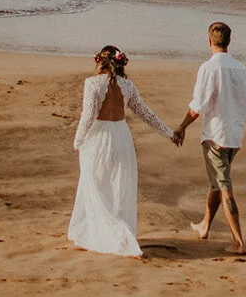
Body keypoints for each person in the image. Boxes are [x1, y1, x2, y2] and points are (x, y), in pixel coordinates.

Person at [68, 43, 175, 257]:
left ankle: (105, 232)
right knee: (119, 186)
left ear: (99, 61)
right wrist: (169, 133)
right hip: (122, 137)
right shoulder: (127, 86)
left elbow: (88, 115)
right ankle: (117, 229)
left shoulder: (92, 83)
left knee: (96, 185)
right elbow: (145, 113)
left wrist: (78, 140)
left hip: (99, 138)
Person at [172, 21, 246, 255]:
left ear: (209, 42)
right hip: (235, 135)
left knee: (224, 186)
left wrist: (182, 126)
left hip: (216, 135)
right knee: (217, 182)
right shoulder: (242, 69)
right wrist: (237, 128)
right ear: (229, 41)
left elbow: (198, 106)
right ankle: (205, 224)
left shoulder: (208, 68)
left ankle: (238, 242)